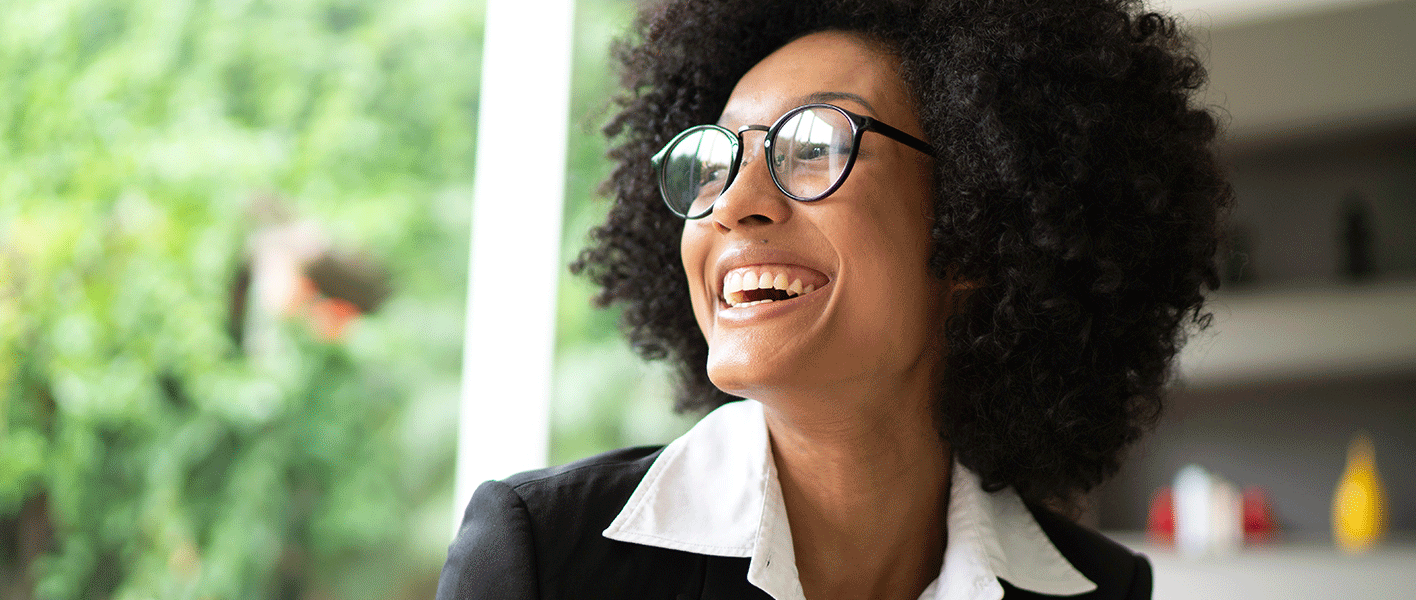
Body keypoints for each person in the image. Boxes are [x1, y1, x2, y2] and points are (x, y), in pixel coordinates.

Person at [438, 0, 1228, 598]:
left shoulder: (1102, 590)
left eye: (813, 147)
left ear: (974, 229)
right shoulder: (542, 556)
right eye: (714, 162)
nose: (733, 200)